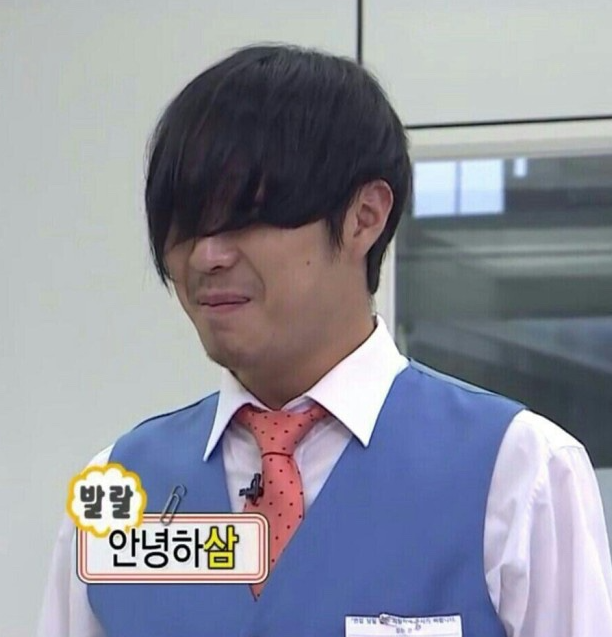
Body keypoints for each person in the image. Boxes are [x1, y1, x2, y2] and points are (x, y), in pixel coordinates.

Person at [37, 44, 612, 637]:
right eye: (183, 225)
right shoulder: (118, 492)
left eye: (243, 218)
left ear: (365, 216)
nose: (207, 257)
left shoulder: (519, 474)